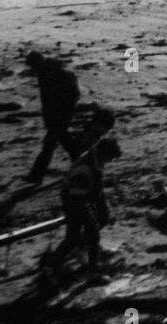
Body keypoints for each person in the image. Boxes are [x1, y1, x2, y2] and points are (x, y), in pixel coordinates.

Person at [48, 135, 121, 275]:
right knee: (80, 237)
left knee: (103, 217)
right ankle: (91, 272)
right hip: (73, 201)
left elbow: (96, 186)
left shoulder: (96, 159)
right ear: (103, 154)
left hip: (87, 194)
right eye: (110, 158)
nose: (111, 161)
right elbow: (77, 200)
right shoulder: (84, 170)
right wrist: (89, 219)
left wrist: (101, 206)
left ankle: (81, 248)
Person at [23, 51, 80, 184]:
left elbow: (61, 96)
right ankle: (80, 165)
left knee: (49, 147)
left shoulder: (52, 73)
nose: (32, 69)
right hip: (57, 115)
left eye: (32, 66)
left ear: (37, 62)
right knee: (67, 144)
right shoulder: (46, 72)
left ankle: (36, 176)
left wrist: (61, 112)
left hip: (59, 115)